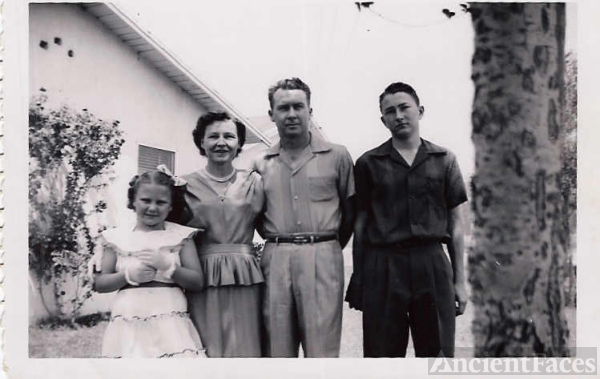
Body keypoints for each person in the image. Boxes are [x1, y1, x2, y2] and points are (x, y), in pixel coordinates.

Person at [345, 82, 468, 357]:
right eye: (390, 111)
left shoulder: (444, 160)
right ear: (383, 120)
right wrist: (360, 276)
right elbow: (361, 225)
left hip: (432, 264)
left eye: (404, 108)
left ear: (420, 111)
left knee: (437, 356)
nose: (398, 115)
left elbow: (456, 226)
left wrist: (460, 281)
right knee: (382, 356)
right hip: (384, 266)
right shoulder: (368, 163)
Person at [252, 77, 355, 357]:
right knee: (277, 348)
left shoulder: (338, 156)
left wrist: (326, 244)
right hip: (276, 256)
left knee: (321, 350)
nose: (292, 114)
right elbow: (257, 215)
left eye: (299, 106)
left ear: (310, 110)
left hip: (323, 253)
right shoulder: (261, 163)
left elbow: (351, 213)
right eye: (283, 108)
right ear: (272, 115)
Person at [94, 170, 206, 358]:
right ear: (133, 201)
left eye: (161, 202)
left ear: (170, 206)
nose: (153, 208)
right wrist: (127, 276)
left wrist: (169, 267)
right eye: (146, 200)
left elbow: (197, 281)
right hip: (129, 316)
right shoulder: (115, 237)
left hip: (170, 316)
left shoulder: (181, 237)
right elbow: (100, 283)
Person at [179, 111, 265, 357]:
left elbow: (268, 226)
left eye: (229, 136)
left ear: (239, 143)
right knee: (207, 345)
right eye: (213, 136)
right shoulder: (182, 185)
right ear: (201, 142)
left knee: (247, 345)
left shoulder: (253, 182)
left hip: (245, 274)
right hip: (202, 274)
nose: (221, 142)